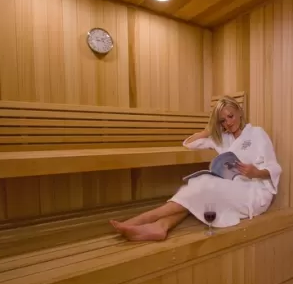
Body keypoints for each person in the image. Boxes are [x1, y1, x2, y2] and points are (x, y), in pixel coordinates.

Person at [110, 95, 282, 241]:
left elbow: (273, 168)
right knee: (200, 184)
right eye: (223, 120)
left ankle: (143, 219)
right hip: (231, 186)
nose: (228, 123)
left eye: (230, 116)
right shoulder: (223, 139)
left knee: (205, 185)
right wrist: (210, 129)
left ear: (239, 112)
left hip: (253, 192)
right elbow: (189, 143)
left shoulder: (257, 133)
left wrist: (255, 172)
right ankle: (161, 226)